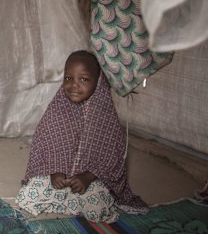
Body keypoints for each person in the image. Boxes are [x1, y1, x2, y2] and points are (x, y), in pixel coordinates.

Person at [15, 50, 148, 223]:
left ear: (98, 81)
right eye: (68, 78)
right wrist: (54, 172)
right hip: (58, 179)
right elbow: (43, 145)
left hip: (90, 180)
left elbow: (112, 157)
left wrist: (87, 177)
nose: (74, 85)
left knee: (99, 202)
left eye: (83, 79)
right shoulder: (57, 110)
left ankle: (74, 202)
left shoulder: (105, 117)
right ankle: (61, 199)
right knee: (29, 194)